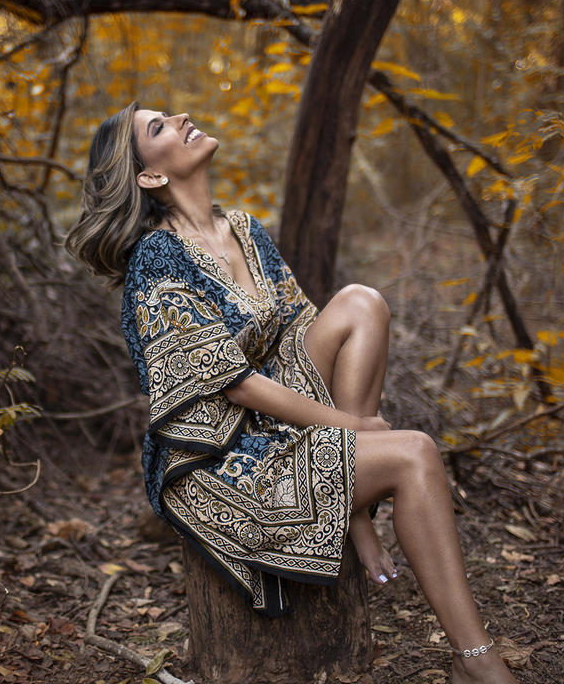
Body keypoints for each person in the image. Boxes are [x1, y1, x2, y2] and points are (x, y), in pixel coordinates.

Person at [66, 103, 517, 684]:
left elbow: (301, 329)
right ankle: (477, 663)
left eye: (170, 114)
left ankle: (353, 510)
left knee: (362, 301)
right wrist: (349, 428)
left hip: (279, 417)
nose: (180, 117)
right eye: (158, 128)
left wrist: (344, 427)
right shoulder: (158, 257)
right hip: (220, 460)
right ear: (151, 177)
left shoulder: (246, 230)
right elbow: (233, 382)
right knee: (415, 452)